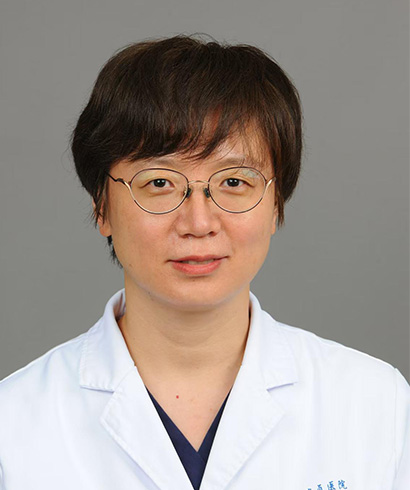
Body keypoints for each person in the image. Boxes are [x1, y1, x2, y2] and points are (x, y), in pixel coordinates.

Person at [0, 34, 408, 490]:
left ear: (276, 205)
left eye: (234, 181)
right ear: (102, 208)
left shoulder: (378, 405)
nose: (198, 222)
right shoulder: (13, 425)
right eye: (159, 183)